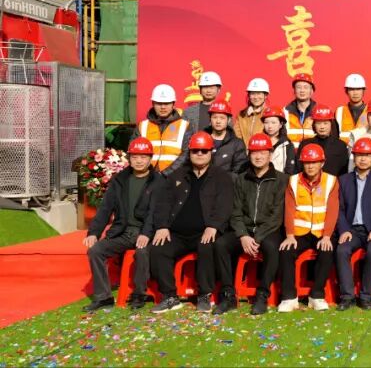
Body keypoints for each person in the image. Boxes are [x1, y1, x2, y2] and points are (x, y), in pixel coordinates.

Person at [148, 131, 234, 314]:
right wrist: (162, 226)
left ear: (211, 152)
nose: (199, 154)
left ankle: (204, 295)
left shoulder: (222, 177)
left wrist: (214, 226)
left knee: (207, 246)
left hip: (204, 231)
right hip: (176, 233)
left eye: (204, 151)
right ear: (190, 153)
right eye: (195, 151)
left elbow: (225, 205)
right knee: (158, 248)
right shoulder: (177, 175)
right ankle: (169, 296)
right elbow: (163, 203)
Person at [83, 137, 163, 312]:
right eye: (135, 157)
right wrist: (94, 232)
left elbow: (155, 212)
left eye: (143, 157)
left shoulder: (158, 181)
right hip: (123, 232)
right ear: (129, 158)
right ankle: (103, 297)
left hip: (147, 232)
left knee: (142, 252)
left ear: (150, 159)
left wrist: (146, 234)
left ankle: (139, 294)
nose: (139, 161)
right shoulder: (120, 180)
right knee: (96, 251)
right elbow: (105, 208)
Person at [212, 133, 287, 315]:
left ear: (270, 154)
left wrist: (258, 238)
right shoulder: (241, 179)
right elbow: (235, 211)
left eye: (263, 152)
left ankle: (262, 295)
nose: (258, 156)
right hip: (244, 230)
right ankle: (228, 294)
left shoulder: (282, 180)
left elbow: (277, 216)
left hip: (268, 230)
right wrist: (243, 236)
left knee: (272, 247)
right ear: (249, 154)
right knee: (221, 244)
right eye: (254, 152)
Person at [278, 143, 339, 313]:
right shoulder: (293, 180)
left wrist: (327, 236)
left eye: (314, 162)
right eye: (307, 162)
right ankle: (289, 297)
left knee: (327, 251)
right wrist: (290, 235)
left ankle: (316, 296)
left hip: (321, 232)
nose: (310, 166)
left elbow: (333, 210)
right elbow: (289, 209)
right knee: (286, 251)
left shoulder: (331, 181)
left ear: (322, 163)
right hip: (299, 232)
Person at [334, 137, 371, 311]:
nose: (363, 159)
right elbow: (339, 209)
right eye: (359, 155)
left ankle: (365, 296)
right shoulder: (343, 180)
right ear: (354, 157)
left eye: (367, 155)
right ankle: (347, 296)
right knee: (342, 250)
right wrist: (344, 229)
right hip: (352, 230)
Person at [167, 100, 246, 177]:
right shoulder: (199, 140)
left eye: (222, 118)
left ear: (228, 120)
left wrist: (221, 181)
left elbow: (238, 171)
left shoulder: (237, 144)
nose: (218, 121)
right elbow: (188, 164)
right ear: (210, 119)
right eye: (215, 117)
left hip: (226, 184)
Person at [138, 84, 189, 172]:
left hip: (174, 176)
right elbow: (134, 153)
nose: (163, 107)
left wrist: (166, 173)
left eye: (167, 103)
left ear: (173, 104)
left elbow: (186, 154)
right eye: (159, 103)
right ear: (153, 103)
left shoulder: (185, 125)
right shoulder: (142, 126)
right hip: (147, 175)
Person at [299, 105, 350, 177]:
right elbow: (299, 169)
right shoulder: (305, 144)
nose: (322, 127)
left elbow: (344, 172)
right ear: (314, 125)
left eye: (325, 123)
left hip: (334, 183)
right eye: (318, 123)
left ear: (331, 124)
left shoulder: (341, 145)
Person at [260, 106, 297, 175]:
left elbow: (290, 170)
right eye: (266, 122)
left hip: (281, 180)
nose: (269, 126)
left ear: (281, 124)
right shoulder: (259, 142)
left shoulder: (288, 145)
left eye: (273, 122)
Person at [285, 73, 319, 147]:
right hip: (291, 153)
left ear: (312, 91)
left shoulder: (319, 111)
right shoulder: (285, 113)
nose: (302, 90)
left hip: (313, 153)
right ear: (294, 90)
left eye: (306, 87)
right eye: (299, 87)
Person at [234, 78, 270, 146]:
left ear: (265, 95)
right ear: (249, 95)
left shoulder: (269, 114)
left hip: (262, 151)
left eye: (259, 93)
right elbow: (237, 137)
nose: (255, 97)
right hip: (243, 152)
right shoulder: (241, 115)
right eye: (253, 93)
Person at [336, 73, 368, 142]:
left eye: (358, 89)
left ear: (363, 91)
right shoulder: (339, 111)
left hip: (365, 148)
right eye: (352, 89)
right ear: (346, 91)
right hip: (343, 148)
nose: (355, 93)